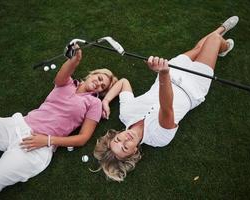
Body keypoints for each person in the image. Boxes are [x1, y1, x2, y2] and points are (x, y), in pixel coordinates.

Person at [93, 16, 239, 182]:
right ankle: (223, 46)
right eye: (125, 147)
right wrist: (163, 74)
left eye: (118, 139)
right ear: (134, 152)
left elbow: (123, 82)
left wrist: (105, 101)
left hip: (172, 71)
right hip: (192, 86)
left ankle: (221, 31)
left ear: (115, 135)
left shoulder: (125, 114)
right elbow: (166, 107)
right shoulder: (159, 139)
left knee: (199, 47)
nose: (125, 139)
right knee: (213, 40)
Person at [0, 45, 118, 199]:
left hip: (36, 148)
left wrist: (48, 140)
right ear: (93, 74)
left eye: (102, 86)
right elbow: (62, 75)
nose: (99, 84)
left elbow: (83, 138)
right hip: (17, 125)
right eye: (99, 78)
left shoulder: (94, 104)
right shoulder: (67, 83)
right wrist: (75, 59)